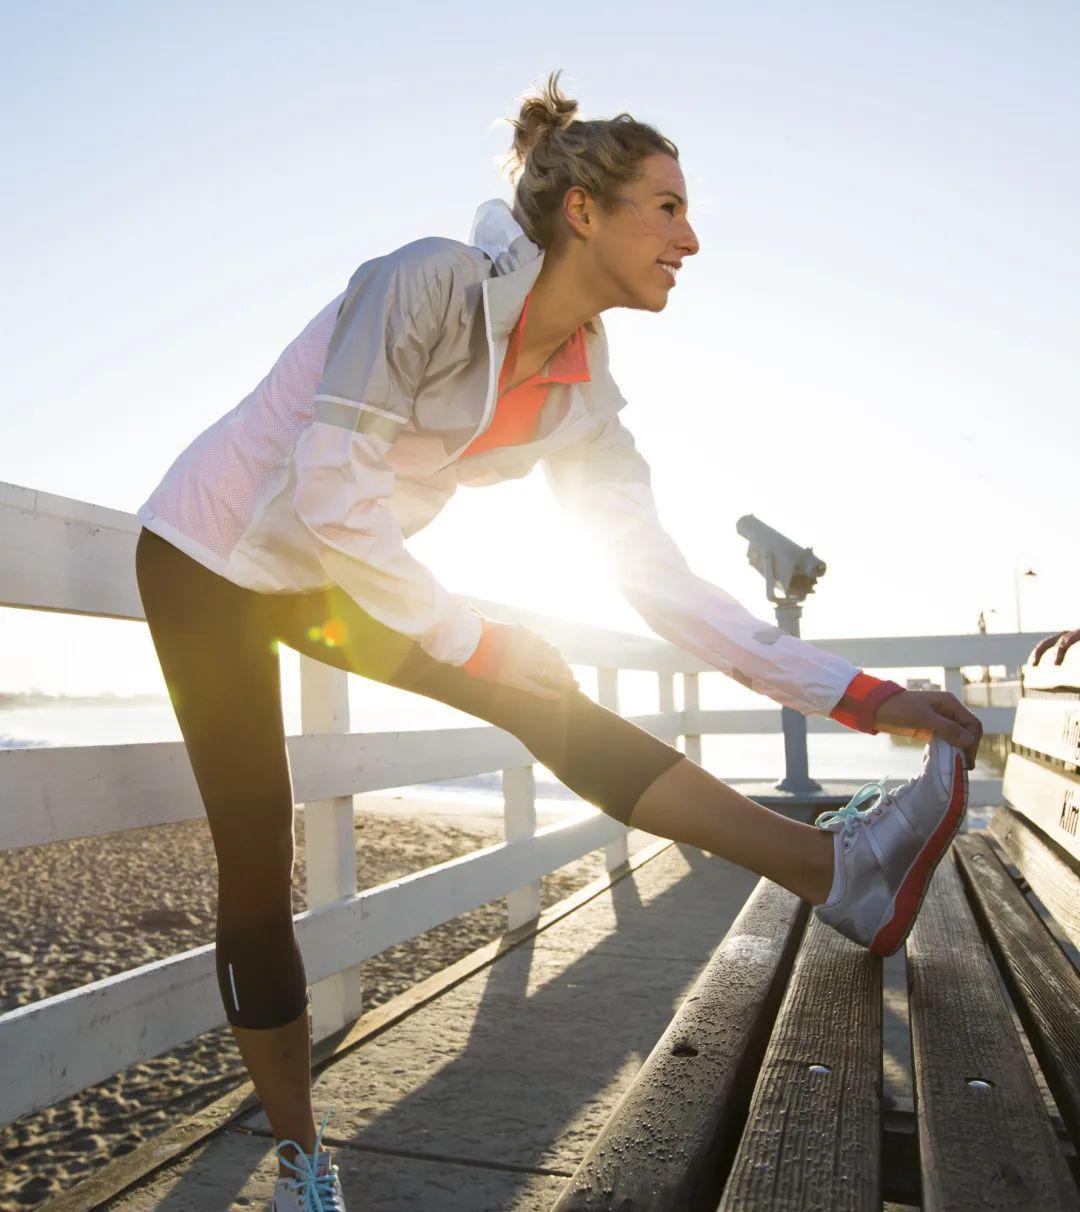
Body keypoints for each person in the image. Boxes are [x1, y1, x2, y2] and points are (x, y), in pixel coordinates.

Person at [134, 70, 982, 1211]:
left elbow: (664, 586)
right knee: (257, 851)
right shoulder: (425, 282)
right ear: (585, 209)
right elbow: (329, 489)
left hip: (336, 569)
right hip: (212, 557)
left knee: (547, 697)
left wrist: (865, 698)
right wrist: (474, 634)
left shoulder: (586, 390)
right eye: (667, 206)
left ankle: (841, 876)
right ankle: (301, 1166)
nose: (692, 237)